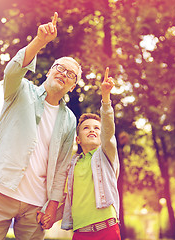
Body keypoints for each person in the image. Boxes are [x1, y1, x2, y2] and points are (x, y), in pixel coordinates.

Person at [0, 12, 82, 240]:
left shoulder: (70, 120)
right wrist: (40, 41)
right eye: (60, 68)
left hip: (36, 205)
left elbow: (63, 166)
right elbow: (12, 70)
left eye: (71, 75)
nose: (63, 74)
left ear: (73, 86)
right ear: (50, 70)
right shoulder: (20, 90)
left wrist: (53, 204)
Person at [40, 67, 120, 239]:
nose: (92, 130)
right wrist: (51, 216)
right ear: (78, 139)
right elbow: (71, 201)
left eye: (96, 128)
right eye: (86, 128)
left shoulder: (106, 156)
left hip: (107, 229)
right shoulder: (72, 165)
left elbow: (108, 131)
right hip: (80, 232)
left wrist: (105, 98)